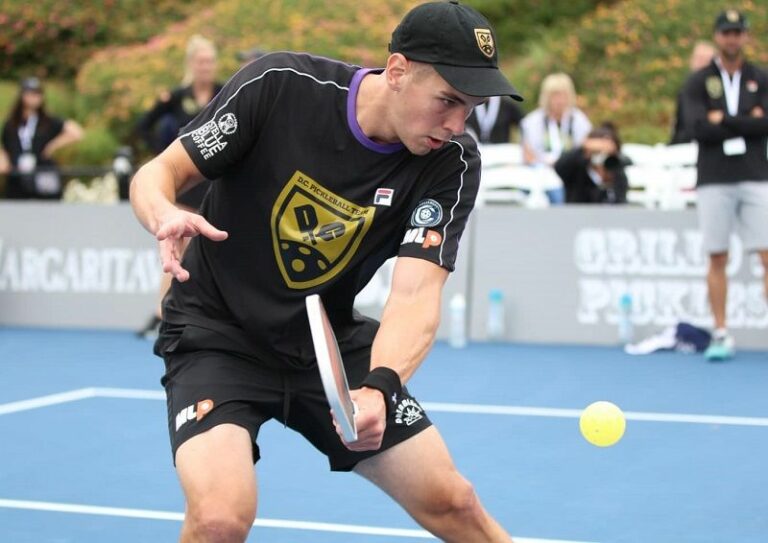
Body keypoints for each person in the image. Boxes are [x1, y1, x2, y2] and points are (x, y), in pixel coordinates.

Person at [129, 2, 521, 542]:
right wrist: (164, 212)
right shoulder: (280, 85)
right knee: (220, 519)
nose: (457, 123)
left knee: (453, 502)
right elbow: (160, 171)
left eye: (471, 107)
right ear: (400, 71)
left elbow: (414, 295)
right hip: (217, 337)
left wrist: (380, 389)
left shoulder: (450, 161)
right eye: (448, 100)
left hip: (327, 347)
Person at [682, 9, 768, 361]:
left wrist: (724, 120)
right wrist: (748, 120)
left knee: (767, 253)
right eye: (726, 32)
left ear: (745, 36)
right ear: (718, 36)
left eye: (738, 32)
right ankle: (721, 330)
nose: (732, 38)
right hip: (714, 176)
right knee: (717, 255)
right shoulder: (698, 80)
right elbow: (696, 127)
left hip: (755, 173)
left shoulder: (759, 77)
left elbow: (766, 126)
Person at [135, 35, 224, 338]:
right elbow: (143, 126)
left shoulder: (226, 92)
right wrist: (162, 157)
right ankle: (162, 312)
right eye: (200, 62)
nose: (205, 67)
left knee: (214, 250)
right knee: (177, 245)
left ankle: (209, 315)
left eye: (210, 62)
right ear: (191, 64)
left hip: (215, 182)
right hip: (186, 185)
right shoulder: (176, 96)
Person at [0, 77, 83, 199]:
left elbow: (77, 132)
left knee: (48, 208)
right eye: (30, 94)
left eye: (37, 94)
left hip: (43, 172)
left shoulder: (48, 121)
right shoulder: (12, 123)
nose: (34, 98)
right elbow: (4, 146)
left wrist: (53, 145)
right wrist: (4, 160)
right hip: (17, 175)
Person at [520, 72, 592, 203]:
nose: (560, 100)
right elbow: (528, 155)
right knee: (551, 185)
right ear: (546, 97)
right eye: (555, 95)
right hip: (541, 172)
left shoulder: (578, 120)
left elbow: (584, 149)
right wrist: (546, 164)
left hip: (570, 171)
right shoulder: (533, 121)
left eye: (564, 95)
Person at [553, 122, 629, 204]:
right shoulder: (577, 169)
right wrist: (584, 146)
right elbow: (560, 166)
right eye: (597, 151)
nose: (601, 155)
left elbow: (621, 202)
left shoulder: (617, 171)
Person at [669, 40, 716, 144]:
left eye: (706, 59)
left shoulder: (717, 90)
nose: (701, 63)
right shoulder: (686, 88)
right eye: (698, 58)